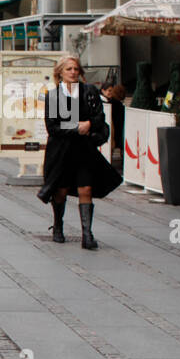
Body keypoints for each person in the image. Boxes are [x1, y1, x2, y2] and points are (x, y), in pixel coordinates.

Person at [36, 55, 122, 249]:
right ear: (60, 73)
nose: (73, 72)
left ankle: (87, 233)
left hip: (84, 150)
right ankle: (58, 225)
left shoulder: (89, 92)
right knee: (61, 191)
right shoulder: (54, 95)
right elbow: (52, 127)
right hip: (61, 151)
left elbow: (99, 116)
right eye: (69, 69)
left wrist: (90, 124)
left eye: (76, 69)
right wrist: (77, 126)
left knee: (86, 189)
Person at [99, 79, 126, 172]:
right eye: (109, 90)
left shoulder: (116, 103)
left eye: (112, 91)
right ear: (103, 90)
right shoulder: (98, 102)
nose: (111, 93)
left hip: (116, 128)